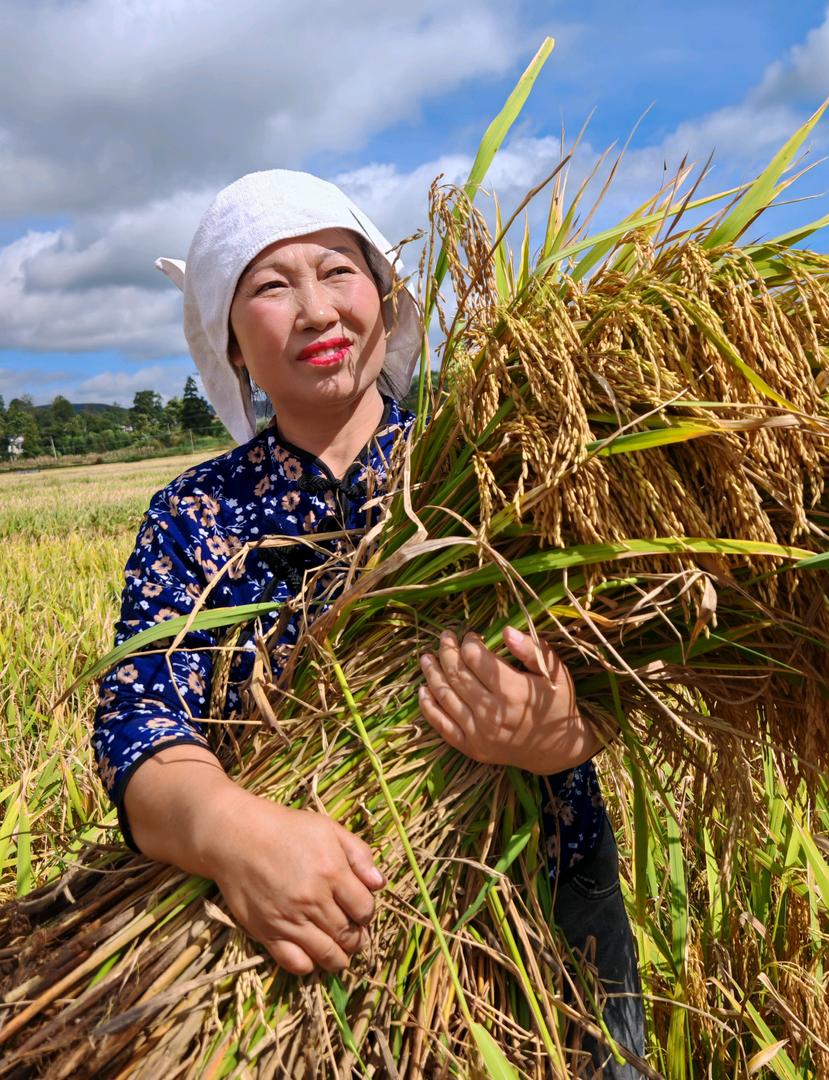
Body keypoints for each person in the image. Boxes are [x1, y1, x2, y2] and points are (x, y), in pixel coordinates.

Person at [92, 170, 645, 1075]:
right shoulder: (196, 516)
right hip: (302, 927)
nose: (316, 310)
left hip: (543, 885)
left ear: (386, 298)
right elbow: (139, 724)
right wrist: (236, 831)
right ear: (230, 345)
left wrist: (560, 734)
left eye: (337, 272)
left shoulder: (499, 464)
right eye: (270, 287)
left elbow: (632, 661)